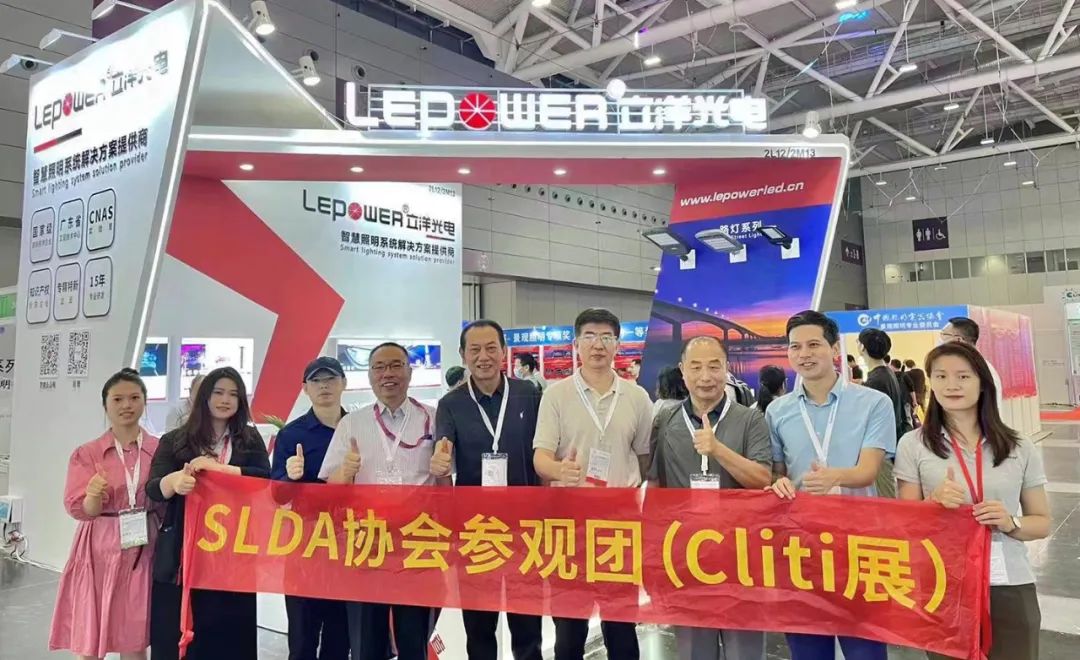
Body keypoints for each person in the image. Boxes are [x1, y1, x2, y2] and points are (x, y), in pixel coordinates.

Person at [894, 341, 1050, 660]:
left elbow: (1042, 522)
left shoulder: (1019, 446)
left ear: (982, 383)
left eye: (963, 376)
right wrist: (932, 503)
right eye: (941, 376)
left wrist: (1010, 522)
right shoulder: (913, 444)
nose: (951, 385)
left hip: (1008, 582)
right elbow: (904, 525)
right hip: (945, 584)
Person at [765, 310, 896, 660]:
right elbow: (777, 472)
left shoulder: (873, 403)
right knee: (807, 650)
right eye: (795, 347)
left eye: (813, 345)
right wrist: (778, 484)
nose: (804, 354)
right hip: (800, 546)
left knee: (865, 650)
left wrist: (833, 476)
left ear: (835, 349)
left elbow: (868, 471)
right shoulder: (777, 411)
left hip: (859, 544)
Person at [533, 308, 653, 660]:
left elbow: (644, 457)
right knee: (569, 629)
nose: (597, 345)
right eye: (589, 336)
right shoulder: (556, 395)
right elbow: (540, 458)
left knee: (621, 626)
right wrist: (559, 471)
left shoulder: (637, 397)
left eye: (606, 337)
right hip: (569, 524)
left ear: (617, 344)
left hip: (619, 523)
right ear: (576, 344)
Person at [648, 336, 770, 660]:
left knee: (744, 652)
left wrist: (717, 449)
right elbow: (656, 488)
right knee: (693, 651)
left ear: (727, 369)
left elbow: (761, 479)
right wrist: (653, 559)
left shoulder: (750, 419)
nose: (705, 377)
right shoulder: (665, 420)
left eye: (714, 367)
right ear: (682, 371)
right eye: (696, 367)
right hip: (685, 559)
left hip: (741, 558)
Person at [320, 342, 442, 660]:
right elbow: (330, 485)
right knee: (366, 640)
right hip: (366, 542)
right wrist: (345, 472)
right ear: (370, 375)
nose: (388, 374)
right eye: (379, 367)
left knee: (414, 638)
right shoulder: (352, 423)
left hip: (415, 542)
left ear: (410, 372)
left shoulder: (433, 419)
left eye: (396, 365)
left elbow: (445, 483)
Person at [433, 320, 543, 660]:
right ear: (463, 354)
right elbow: (443, 460)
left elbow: (542, 453)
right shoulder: (451, 404)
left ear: (504, 351)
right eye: (475, 349)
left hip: (525, 530)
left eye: (491, 348)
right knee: (479, 629)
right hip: (477, 532)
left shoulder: (528, 394)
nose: (484, 357)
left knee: (528, 627)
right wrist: (440, 466)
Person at [146, 366, 270, 660]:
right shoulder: (175, 440)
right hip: (183, 554)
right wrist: (174, 482)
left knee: (230, 637)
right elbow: (153, 488)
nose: (226, 400)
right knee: (180, 634)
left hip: (233, 552)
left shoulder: (249, 439)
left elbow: (265, 481)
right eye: (219, 392)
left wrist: (221, 470)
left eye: (233, 394)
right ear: (204, 396)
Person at [49, 369, 160, 660]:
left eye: (134, 398)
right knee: (91, 629)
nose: (127, 405)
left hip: (144, 546)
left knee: (135, 635)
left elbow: (165, 500)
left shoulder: (159, 450)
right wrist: (93, 496)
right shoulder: (88, 453)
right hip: (100, 546)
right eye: (118, 399)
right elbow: (83, 511)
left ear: (145, 401)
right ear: (105, 405)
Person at [270, 357, 350, 660]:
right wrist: (290, 476)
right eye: (316, 381)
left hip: (349, 548)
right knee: (303, 640)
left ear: (344, 383)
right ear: (305, 388)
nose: (324, 386)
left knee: (339, 640)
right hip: (305, 549)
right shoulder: (291, 435)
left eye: (331, 379)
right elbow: (276, 495)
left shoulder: (358, 428)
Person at [858, 328, 908, 498]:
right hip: (889, 445)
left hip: (880, 450)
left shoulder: (875, 381)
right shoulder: (887, 374)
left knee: (885, 498)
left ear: (862, 347)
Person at [941, 316, 1004, 410]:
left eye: (944, 335)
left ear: (958, 340)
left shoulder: (979, 369)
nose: (941, 340)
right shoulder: (963, 366)